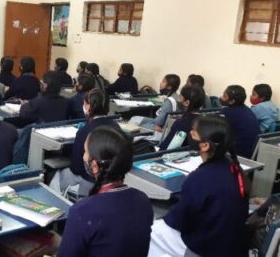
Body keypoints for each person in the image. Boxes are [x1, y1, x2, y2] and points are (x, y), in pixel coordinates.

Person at [149, 115, 249, 257]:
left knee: (152, 230)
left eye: (194, 132)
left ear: (205, 145)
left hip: (205, 247)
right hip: (231, 244)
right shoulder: (234, 168)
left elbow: (179, 221)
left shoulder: (200, 177)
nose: (190, 133)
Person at [58, 127, 153, 257]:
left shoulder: (82, 211)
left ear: (95, 166)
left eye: (85, 152)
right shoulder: (142, 200)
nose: (83, 156)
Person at [51, 89, 121, 197]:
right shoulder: (116, 126)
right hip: (112, 176)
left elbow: (76, 167)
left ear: (88, 106)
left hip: (89, 180)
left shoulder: (84, 131)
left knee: (57, 176)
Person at [159, 86, 205, 150]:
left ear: (187, 103)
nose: (178, 100)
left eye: (180, 97)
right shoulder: (206, 121)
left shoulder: (181, 123)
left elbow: (165, 149)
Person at [220, 85, 260, 158]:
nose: (221, 97)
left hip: (238, 154)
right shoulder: (247, 110)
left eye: (224, 96)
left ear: (232, 101)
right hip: (251, 152)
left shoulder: (227, 112)